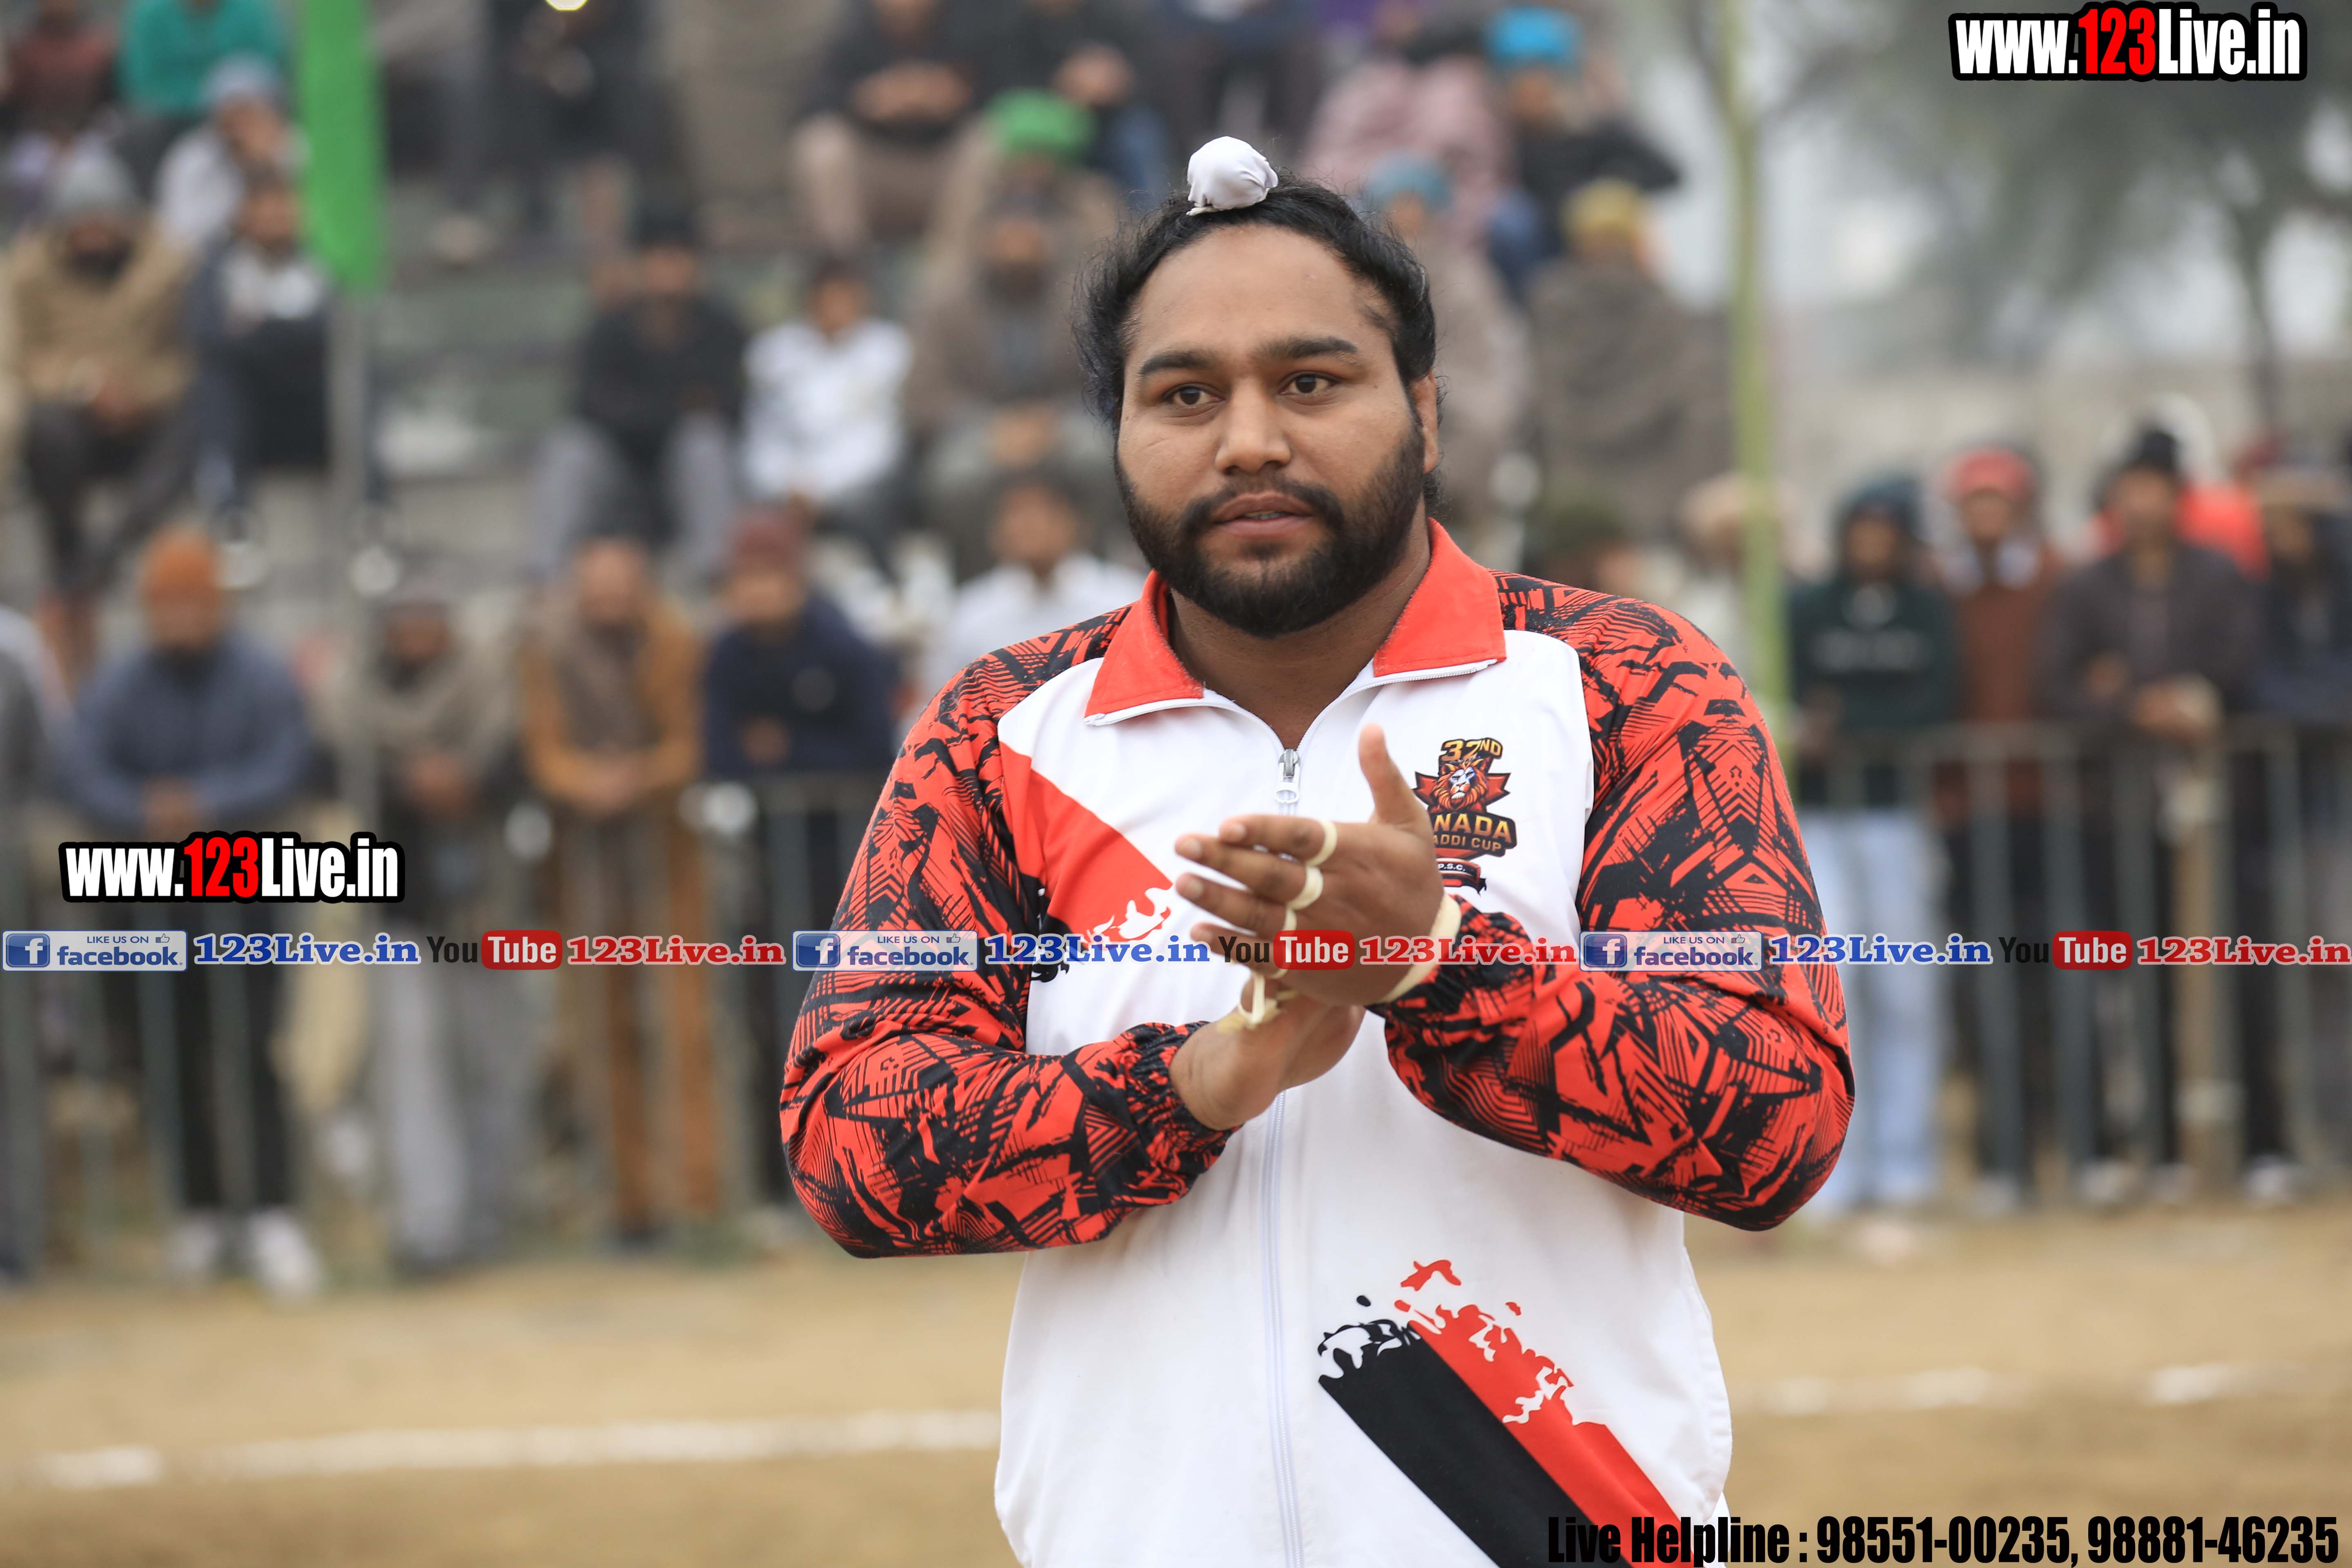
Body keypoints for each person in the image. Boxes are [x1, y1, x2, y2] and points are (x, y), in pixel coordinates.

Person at [782, 149, 1848, 1566]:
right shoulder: (1000, 732)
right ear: (1118, 431)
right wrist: (1184, 1090)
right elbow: (848, 1140)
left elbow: (1778, 1121)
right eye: (1185, 395)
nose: (1248, 441)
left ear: (1424, 407)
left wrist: (1441, 969)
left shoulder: (1626, 684)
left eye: (1311, 381)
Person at [55, 526, 321, 1298]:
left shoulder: (260, 674)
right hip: (147, 898)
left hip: (247, 891)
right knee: (166, 1058)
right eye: (163, 605)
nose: (177, 618)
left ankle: (273, 1212)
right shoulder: (119, 683)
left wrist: (203, 804)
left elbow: (287, 762)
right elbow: (82, 769)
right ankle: (198, 1212)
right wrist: (144, 809)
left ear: (218, 605)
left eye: (191, 603)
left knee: (253, 1051)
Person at [2040, 444, 2264, 1196]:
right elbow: (2057, 687)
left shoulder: (2219, 575)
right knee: (2135, 982)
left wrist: (2179, 696)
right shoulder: (2086, 586)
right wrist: (2135, 707)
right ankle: (2156, 1148)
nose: (2141, 504)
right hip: (2118, 813)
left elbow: (2241, 667)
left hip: (2224, 805)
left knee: (2242, 969)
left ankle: (2262, 1147)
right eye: (2128, 490)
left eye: (2154, 489)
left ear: (2178, 496)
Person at [325, 560, 528, 1275]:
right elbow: (333, 772)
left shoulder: (492, 684)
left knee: (490, 1060)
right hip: (397, 909)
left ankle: (492, 1214)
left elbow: (519, 768)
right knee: (411, 1069)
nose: (416, 632)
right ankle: (429, 1227)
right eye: (404, 619)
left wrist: (467, 782)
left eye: (428, 617)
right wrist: (409, 784)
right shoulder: (352, 693)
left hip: (487, 905)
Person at [519, 534, 717, 1242]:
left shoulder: (677, 643)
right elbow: (543, 751)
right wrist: (587, 782)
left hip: (668, 860)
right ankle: (632, 1204)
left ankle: (698, 1197)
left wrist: (638, 777)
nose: (607, 599)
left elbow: (693, 743)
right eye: (595, 587)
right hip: (584, 869)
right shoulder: (547, 652)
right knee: (604, 1037)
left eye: (619, 586)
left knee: (683, 1030)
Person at [702, 512, 900, 1212]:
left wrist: (784, 751)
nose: (758, 592)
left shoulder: (843, 646)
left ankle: (865, 1171)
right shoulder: (727, 654)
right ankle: (780, 1180)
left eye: (770, 576)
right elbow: (719, 754)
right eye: (745, 579)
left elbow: (874, 749)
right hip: (764, 865)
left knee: (854, 1017)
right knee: (772, 1022)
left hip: (846, 866)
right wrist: (792, 756)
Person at [1788, 475, 1958, 1216]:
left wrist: (1850, 724)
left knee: (1906, 986)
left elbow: (1936, 701)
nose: (1871, 546)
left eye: (1885, 535)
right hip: (1821, 818)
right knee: (1834, 982)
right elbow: (1793, 696)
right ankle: (1837, 1164)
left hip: (1896, 814)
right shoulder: (1806, 606)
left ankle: (1905, 1161)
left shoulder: (1927, 609)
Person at [1933, 444, 2065, 1207]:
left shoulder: (2055, 577)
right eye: (1973, 502)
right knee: (1984, 983)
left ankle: (2071, 1143)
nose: (1985, 516)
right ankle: (2000, 1152)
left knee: (2060, 980)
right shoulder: (1943, 589)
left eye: (1997, 501)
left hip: (2054, 807)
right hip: (1973, 812)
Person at [6, 145, 193, 678]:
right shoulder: (27, 271)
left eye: (103, 225)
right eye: (82, 227)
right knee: (44, 430)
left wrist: (141, 392)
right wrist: (85, 385)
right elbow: (21, 359)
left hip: (148, 410)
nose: (93, 237)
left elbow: (190, 355)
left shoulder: (171, 265)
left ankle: (109, 552)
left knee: (195, 423)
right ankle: (68, 553)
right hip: (73, 412)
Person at [528, 205, 745, 581]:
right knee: (569, 448)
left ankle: (715, 575)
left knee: (704, 442)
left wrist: (644, 409)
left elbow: (730, 405)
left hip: (686, 476)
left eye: (678, 255)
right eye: (658, 255)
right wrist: (678, 405)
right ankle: (544, 578)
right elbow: (588, 405)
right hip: (620, 471)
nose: (668, 268)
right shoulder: (610, 327)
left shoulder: (720, 326)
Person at [905, 193, 1113, 573]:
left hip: (1063, 422)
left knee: (1098, 458)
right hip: (980, 429)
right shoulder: (946, 304)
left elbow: (1107, 378)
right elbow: (923, 395)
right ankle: (977, 585)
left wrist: (1048, 421)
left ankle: (1091, 575)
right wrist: (994, 427)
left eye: (1028, 235)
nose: (1017, 247)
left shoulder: (1079, 295)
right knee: (954, 478)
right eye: (1007, 236)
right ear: (984, 241)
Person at [1527, 179, 1726, 546]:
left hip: (1573, 522)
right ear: (1640, 241)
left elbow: (1538, 408)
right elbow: (1702, 417)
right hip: (1659, 523)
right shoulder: (1670, 315)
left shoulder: (1547, 311)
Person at [1361, 154, 1525, 555]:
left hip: (1463, 400)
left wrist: (1450, 392)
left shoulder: (1466, 276)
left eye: (1415, 203)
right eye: (1397, 204)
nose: (1407, 215)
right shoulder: (1362, 276)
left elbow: (1495, 354)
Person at [1483, 6, 1678, 300]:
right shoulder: (1501, 134)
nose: (1531, 93)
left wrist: (1610, 186)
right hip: (1540, 251)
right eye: (1521, 83)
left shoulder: (1594, 126)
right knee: (1511, 222)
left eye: (1540, 80)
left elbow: (1669, 172)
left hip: (1593, 237)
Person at [741, 257, 911, 563]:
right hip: (786, 492)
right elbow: (762, 435)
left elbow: (881, 442)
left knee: (871, 508)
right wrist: (785, 486)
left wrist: (820, 489)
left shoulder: (889, 350)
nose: (837, 308)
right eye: (829, 298)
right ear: (809, 299)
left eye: (846, 297)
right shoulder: (773, 354)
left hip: (858, 487)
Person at [918, 472, 1144, 702]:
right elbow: (942, 704)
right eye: (1017, 514)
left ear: (1077, 522)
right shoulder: (969, 614)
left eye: (1046, 512)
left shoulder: (1126, 598)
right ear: (996, 531)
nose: (1031, 525)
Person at [185, 172, 330, 527]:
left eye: (283, 210)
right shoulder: (218, 268)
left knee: (359, 376)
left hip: (313, 413)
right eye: (264, 211)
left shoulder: (323, 263)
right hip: (252, 416)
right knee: (216, 382)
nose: (275, 220)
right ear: (244, 217)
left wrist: (256, 329)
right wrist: (291, 335)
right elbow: (209, 337)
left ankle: (371, 510)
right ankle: (231, 513)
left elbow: (331, 335)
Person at [791, 0, 988, 256]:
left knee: (986, 141)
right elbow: (810, 105)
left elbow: (1002, 92)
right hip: (875, 169)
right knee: (822, 144)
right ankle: (846, 271)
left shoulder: (969, 25)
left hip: (943, 170)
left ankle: (949, 277)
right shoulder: (851, 30)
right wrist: (869, 99)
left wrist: (952, 98)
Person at [980, 0, 1169, 209]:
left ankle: (1150, 220)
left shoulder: (1111, 17)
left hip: (1105, 123)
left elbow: (1145, 77)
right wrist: (1064, 84)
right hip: (1035, 122)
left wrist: (1114, 83)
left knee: (1139, 134)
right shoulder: (1007, 20)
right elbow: (997, 84)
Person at [113, 0, 285, 187]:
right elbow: (141, 84)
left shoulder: (253, 10)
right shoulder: (149, 13)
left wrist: (233, 107)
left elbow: (268, 71)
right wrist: (208, 103)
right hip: (170, 121)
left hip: (240, 110)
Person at [152, 54, 291, 253]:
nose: (239, 131)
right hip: (217, 262)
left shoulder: (300, 150)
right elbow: (177, 236)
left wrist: (265, 167)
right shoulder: (193, 159)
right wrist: (236, 217)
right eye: (230, 119)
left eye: (248, 116)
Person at [1152, 0, 1322, 161]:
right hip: (1201, 36)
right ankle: (1190, 158)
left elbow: (1298, 15)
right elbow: (1171, 15)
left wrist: (1246, 28)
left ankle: (1300, 155)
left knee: (1301, 55)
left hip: (1272, 35)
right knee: (1178, 59)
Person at [0, 0, 117, 224]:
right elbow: (14, 108)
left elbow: (109, 101)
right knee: (27, 174)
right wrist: (52, 136)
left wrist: (73, 136)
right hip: (37, 139)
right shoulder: (23, 47)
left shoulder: (98, 46)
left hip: (88, 136)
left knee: (99, 175)